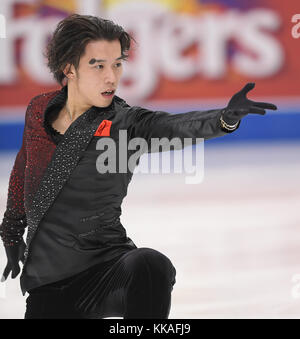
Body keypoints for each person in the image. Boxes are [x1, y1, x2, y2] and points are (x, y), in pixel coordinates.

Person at [0, 14, 277, 319]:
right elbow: (23, 168)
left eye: (118, 64)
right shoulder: (38, 109)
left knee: (149, 264)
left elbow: (174, 126)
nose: (112, 77)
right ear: (69, 68)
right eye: (98, 65)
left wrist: (223, 119)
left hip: (108, 271)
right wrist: (12, 232)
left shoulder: (124, 123)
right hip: (49, 283)